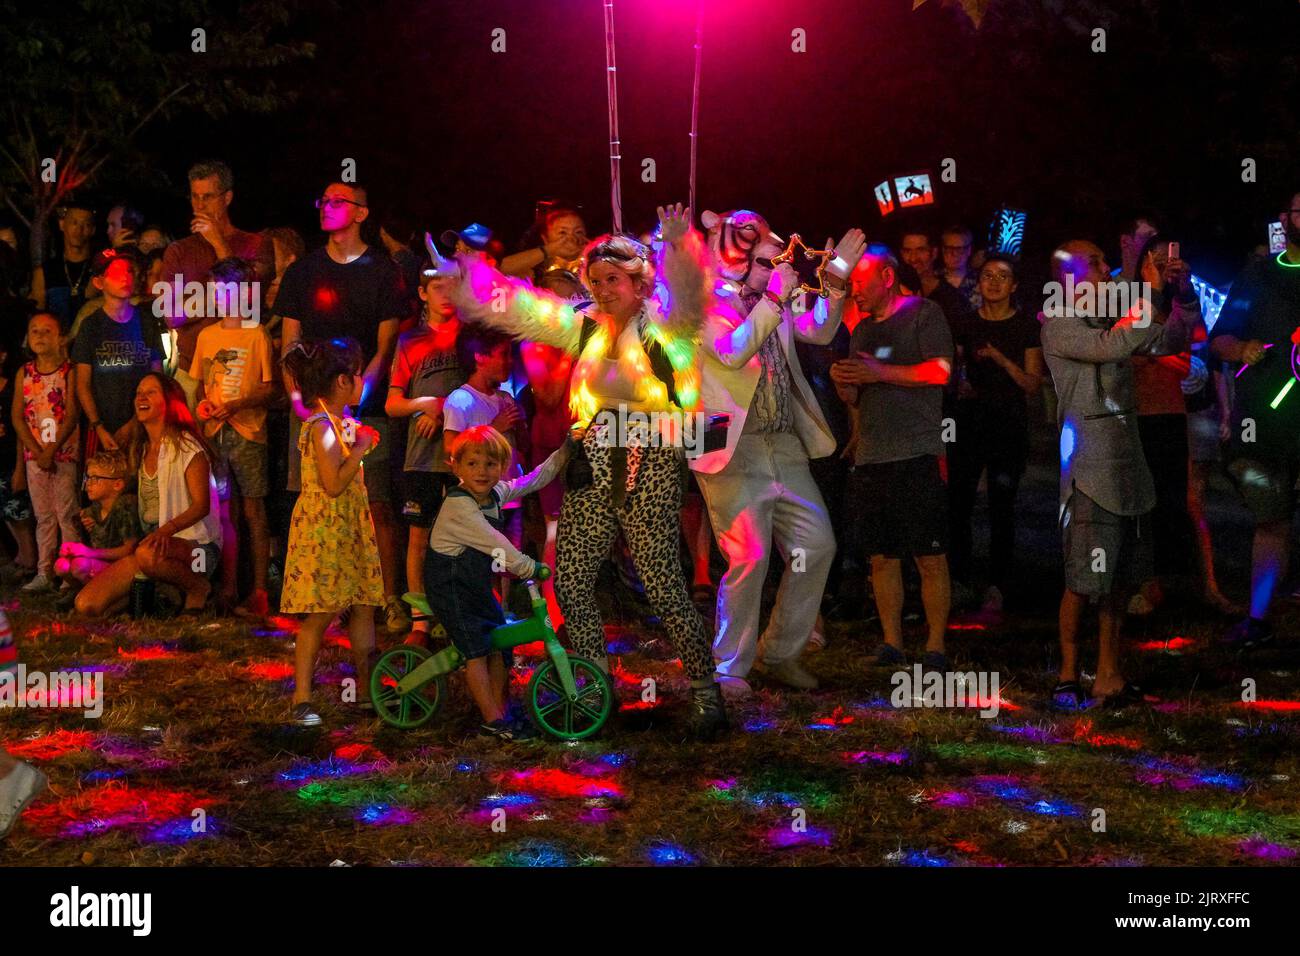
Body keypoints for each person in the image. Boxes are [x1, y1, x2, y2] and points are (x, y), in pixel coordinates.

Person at [436, 204, 729, 738]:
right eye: (594, 281)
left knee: (663, 584)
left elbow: (691, 293)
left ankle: (708, 695)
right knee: (570, 581)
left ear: (641, 284)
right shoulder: (586, 326)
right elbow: (524, 309)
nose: (601, 290)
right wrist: (468, 280)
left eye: (612, 280)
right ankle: (592, 688)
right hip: (591, 464)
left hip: (653, 462)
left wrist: (683, 245)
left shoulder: (670, 329)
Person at [678, 208, 863, 699]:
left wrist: (838, 278)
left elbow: (820, 330)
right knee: (749, 557)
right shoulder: (702, 300)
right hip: (724, 443)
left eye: (780, 262)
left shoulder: (776, 301)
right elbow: (734, 351)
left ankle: (780, 651)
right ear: (739, 263)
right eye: (766, 262)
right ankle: (729, 667)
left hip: (782, 441)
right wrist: (776, 297)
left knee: (816, 545)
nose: (779, 270)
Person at [1041, 240, 1195, 708]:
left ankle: (1108, 673)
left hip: (1129, 462)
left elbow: (1169, 340)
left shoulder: (1113, 314)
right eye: (1099, 263)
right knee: (1082, 579)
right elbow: (1113, 348)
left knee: (1121, 577)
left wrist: (1180, 294)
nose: (1108, 269)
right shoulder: (1060, 323)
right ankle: (1068, 674)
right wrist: (1146, 293)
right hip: (1089, 466)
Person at [275, 182, 404, 633]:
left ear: (362, 212)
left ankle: (385, 599)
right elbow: (289, 344)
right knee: (317, 501)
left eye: (337, 201)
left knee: (376, 504)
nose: (327, 207)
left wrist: (355, 398)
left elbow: (386, 345)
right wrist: (300, 402)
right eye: (323, 200)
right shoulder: (303, 271)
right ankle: (320, 601)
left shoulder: (383, 270)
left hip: (363, 405)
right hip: (314, 409)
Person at [830, 246, 954, 671]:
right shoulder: (862, 330)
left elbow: (940, 371)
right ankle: (892, 643)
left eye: (859, 283)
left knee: (929, 554)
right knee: (881, 556)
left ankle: (936, 647)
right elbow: (859, 396)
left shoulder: (925, 314)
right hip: (873, 456)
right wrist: (844, 383)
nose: (853, 292)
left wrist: (879, 373)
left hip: (918, 451)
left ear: (886, 277)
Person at [427, 425, 571, 740]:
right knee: (476, 649)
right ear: (456, 466)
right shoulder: (459, 505)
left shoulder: (495, 494)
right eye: (473, 464)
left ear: (501, 466)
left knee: (500, 644)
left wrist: (565, 451)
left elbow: (533, 480)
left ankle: (502, 711)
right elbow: (495, 543)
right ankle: (492, 722)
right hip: (450, 588)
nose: (482, 471)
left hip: (475, 585)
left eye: (491, 464)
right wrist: (529, 566)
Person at [1208, 189, 1300, 647]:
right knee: (1271, 520)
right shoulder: (1259, 275)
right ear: (1287, 217)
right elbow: (1220, 337)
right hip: (1267, 422)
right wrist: (1239, 348)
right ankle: (1258, 620)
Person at [278, 338, 383, 727]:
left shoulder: (339, 422)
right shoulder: (322, 427)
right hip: (326, 529)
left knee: (363, 605)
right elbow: (332, 483)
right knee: (321, 612)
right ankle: (302, 695)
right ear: (342, 381)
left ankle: (369, 691)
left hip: (348, 526)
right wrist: (361, 450)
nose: (360, 381)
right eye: (356, 375)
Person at [75, 373, 223, 616]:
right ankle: (161, 592)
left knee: (146, 554)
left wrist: (166, 530)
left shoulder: (188, 447)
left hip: (198, 550)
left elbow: (201, 506)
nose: (141, 397)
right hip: (152, 547)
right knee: (87, 605)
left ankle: (199, 588)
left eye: (151, 392)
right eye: (138, 393)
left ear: (169, 401)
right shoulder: (142, 448)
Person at [946, 254, 1044, 613]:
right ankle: (959, 580)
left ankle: (998, 585)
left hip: (1008, 425)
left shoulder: (1025, 327)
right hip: (970, 424)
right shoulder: (967, 324)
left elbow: (1032, 384)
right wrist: (960, 384)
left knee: (1002, 506)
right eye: (988, 275)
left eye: (1003, 277)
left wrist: (1001, 359)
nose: (994, 282)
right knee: (960, 504)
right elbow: (955, 374)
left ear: (1014, 285)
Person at [190, 257, 276, 617]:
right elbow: (199, 386)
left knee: (254, 510)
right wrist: (205, 408)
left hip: (249, 433)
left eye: (230, 289)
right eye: (218, 288)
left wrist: (241, 403)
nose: (223, 295)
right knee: (226, 513)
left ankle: (258, 591)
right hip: (215, 433)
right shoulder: (207, 335)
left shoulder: (257, 334)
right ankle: (228, 587)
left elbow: (270, 388)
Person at [385, 268, 465, 645]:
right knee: (419, 537)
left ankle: (458, 612)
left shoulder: (469, 337)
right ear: (422, 293)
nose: (445, 294)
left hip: (463, 456)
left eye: (452, 286)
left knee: (463, 537)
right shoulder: (409, 341)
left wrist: (444, 409)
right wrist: (426, 403)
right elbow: (392, 404)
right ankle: (419, 619)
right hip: (421, 457)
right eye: (437, 287)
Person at [1127, 233, 1205, 615]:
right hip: (1137, 414)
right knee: (1139, 501)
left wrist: (1183, 290)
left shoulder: (1182, 301)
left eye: (1168, 257)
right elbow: (1129, 353)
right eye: (1154, 258)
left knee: (1173, 501)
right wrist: (1161, 351)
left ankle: (1175, 584)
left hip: (1171, 413)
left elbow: (1188, 359)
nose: (1162, 263)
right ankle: (1143, 582)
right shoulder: (1129, 302)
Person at [160, 160, 274, 408]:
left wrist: (219, 243)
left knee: (240, 447)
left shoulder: (256, 244)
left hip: (244, 374)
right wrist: (220, 296)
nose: (200, 205)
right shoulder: (178, 251)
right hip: (191, 373)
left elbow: (251, 303)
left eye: (208, 197)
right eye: (195, 197)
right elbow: (170, 316)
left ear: (227, 197)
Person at [12, 311, 81, 593]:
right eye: (35, 331)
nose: (40, 336)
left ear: (61, 338)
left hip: (63, 454)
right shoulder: (25, 373)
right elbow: (18, 416)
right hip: (35, 457)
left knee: (66, 513)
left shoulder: (70, 371)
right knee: (43, 515)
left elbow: (72, 413)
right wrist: (36, 451)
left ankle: (71, 571)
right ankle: (44, 571)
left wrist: (51, 450)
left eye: (47, 331)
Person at [71, 249, 165, 455]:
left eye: (129, 271)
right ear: (99, 282)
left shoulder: (147, 322)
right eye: (116, 273)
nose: (125, 277)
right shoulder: (91, 326)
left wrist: (135, 422)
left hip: (144, 424)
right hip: (103, 428)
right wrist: (98, 426)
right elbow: (82, 384)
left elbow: (157, 375)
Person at [55, 450, 141, 590]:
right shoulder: (94, 509)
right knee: (61, 565)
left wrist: (88, 552)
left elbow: (129, 549)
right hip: (101, 563)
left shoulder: (125, 505)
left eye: (95, 478)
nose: (89, 483)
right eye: (87, 478)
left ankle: (100, 595)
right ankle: (81, 592)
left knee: (79, 566)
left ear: (117, 484)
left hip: (123, 565)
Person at [501, 207, 588, 282]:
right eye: (562, 232)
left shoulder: (591, 266)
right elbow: (502, 270)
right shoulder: (536, 271)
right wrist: (548, 250)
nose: (571, 238)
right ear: (545, 239)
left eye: (578, 232)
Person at [940, 225, 981, 310]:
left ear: (969, 250)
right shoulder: (933, 280)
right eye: (949, 248)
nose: (954, 254)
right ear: (943, 250)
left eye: (959, 249)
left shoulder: (981, 280)